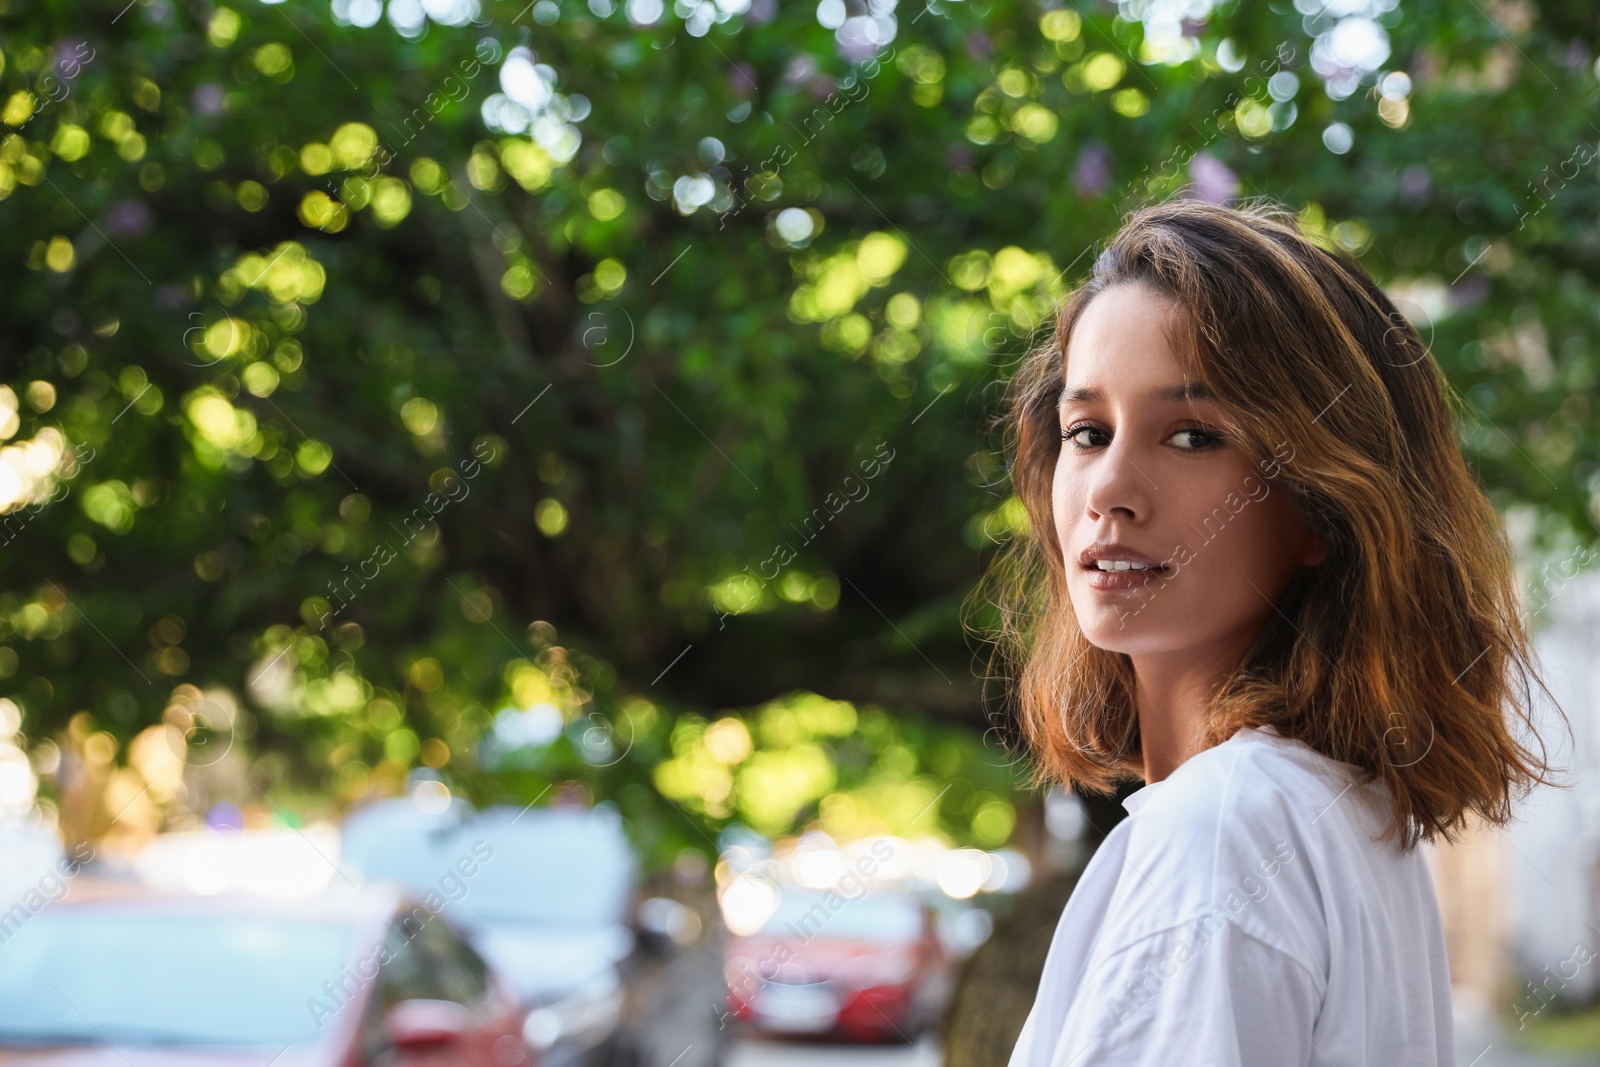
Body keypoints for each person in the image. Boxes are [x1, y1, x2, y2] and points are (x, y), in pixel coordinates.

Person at [983, 198, 1565, 1066]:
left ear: (1324, 504)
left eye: (1192, 434)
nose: (1109, 487)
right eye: (1087, 431)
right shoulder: (1337, 817)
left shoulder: (1224, 830)